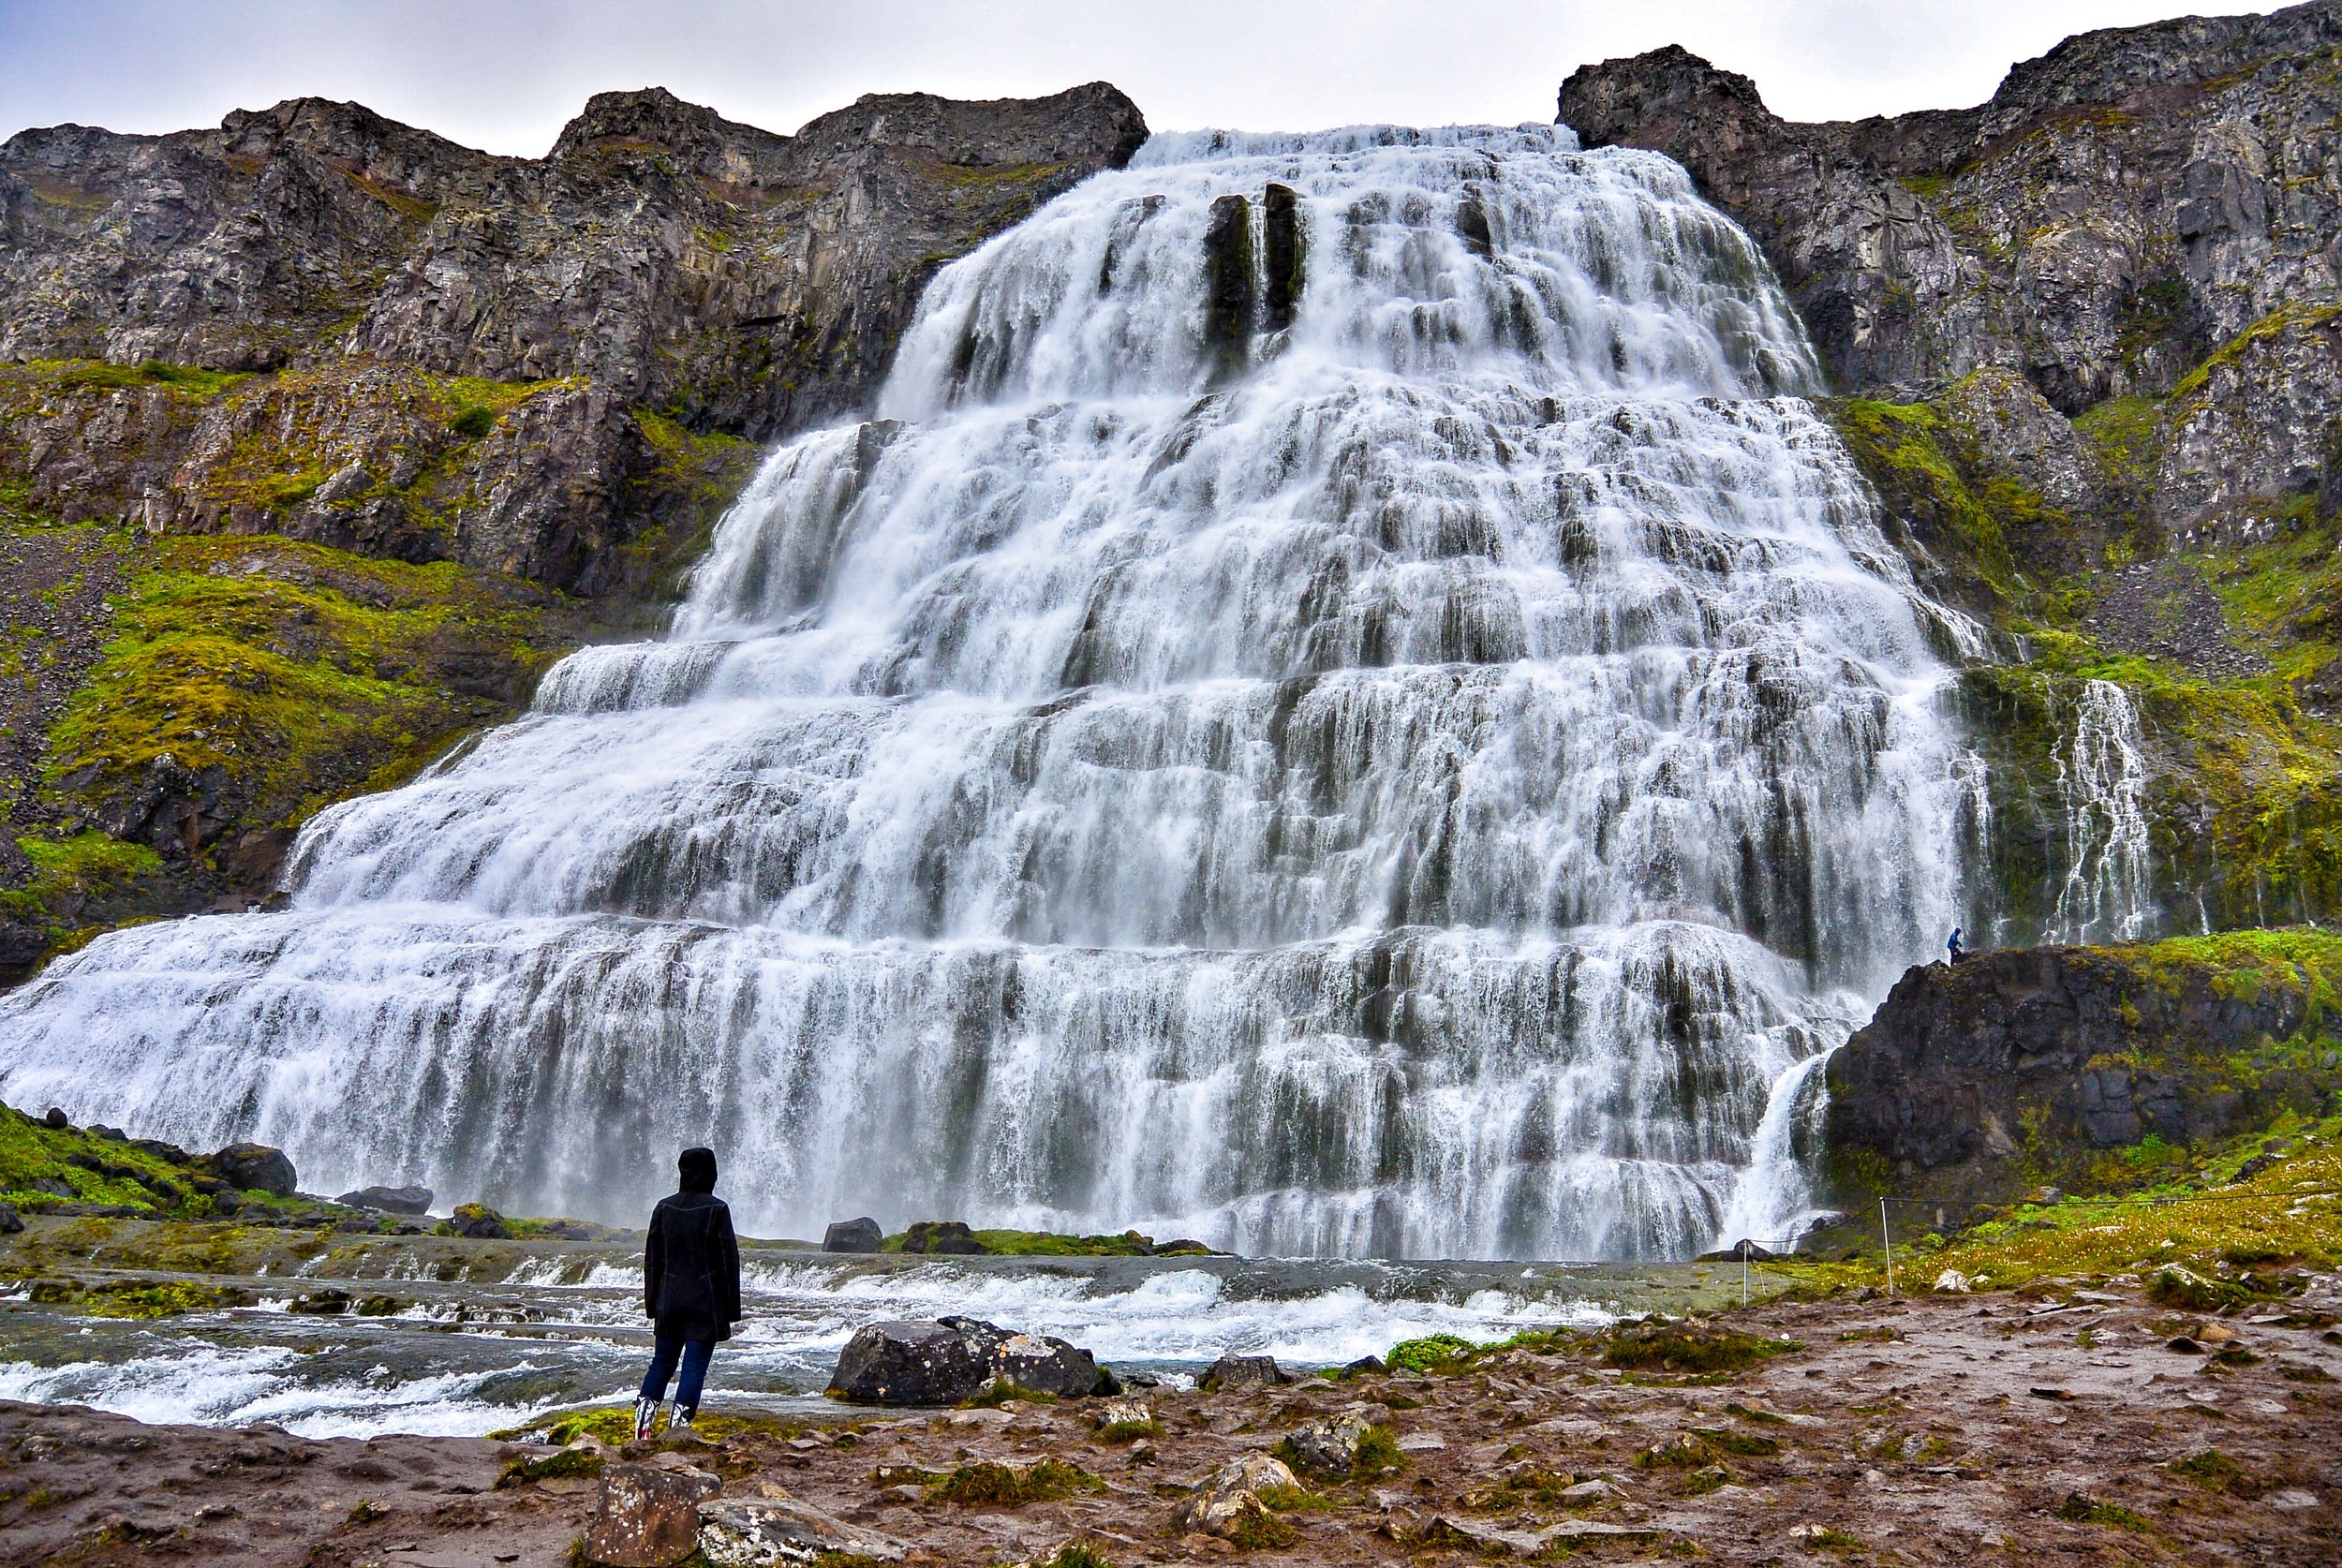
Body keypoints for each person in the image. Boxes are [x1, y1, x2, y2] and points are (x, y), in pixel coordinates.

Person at [633, 1146, 742, 1439]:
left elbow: (652, 1260)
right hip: (706, 1305)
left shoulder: (663, 1207)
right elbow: (729, 1261)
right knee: (694, 1368)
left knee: (661, 1364)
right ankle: (677, 1434)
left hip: (669, 1302)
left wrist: (652, 1304)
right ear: (712, 1173)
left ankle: (642, 1431)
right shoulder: (717, 1209)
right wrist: (732, 1310)